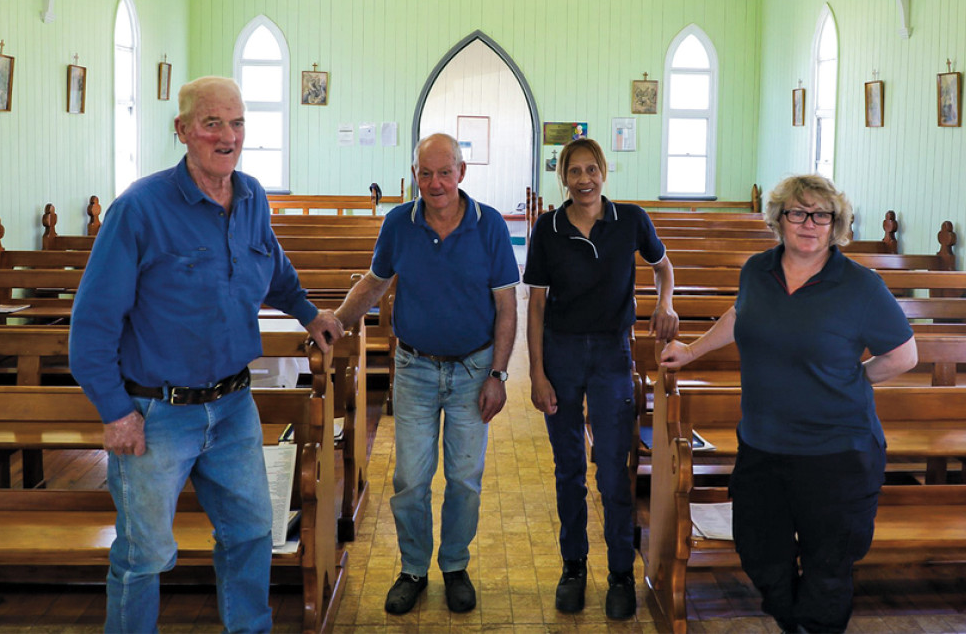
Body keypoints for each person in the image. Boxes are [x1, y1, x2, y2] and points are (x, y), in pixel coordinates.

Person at [69, 76, 343, 634]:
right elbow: (91, 325)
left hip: (233, 405)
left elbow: (274, 267)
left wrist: (310, 314)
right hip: (156, 414)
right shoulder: (139, 209)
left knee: (249, 534)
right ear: (183, 130)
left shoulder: (251, 196)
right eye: (212, 123)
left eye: (237, 123)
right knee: (143, 556)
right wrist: (115, 413)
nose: (228, 136)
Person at [660, 175, 917, 633]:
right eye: (797, 212)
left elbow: (903, 356)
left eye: (822, 215)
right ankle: (796, 620)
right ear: (779, 219)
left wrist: (854, 378)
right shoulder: (757, 270)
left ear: (836, 224)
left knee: (828, 567)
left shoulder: (860, 286)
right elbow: (740, 313)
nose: (809, 224)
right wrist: (691, 351)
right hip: (763, 445)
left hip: (838, 453)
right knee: (759, 552)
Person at [334, 132, 519, 615]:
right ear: (414, 174)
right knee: (411, 479)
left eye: (443, 172)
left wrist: (499, 375)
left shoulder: (490, 225)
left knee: (464, 478)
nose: (434, 183)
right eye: (425, 173)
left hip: (474, 371)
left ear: (462, 172)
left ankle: (454, 565)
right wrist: (334, 324)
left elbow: (506, 306)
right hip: (414, 369)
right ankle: (413, 568)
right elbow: (374, 284)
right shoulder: (399, 223)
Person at [524, 137, 679, 620]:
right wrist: (536, 371)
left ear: (604, 173)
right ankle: (573, 567)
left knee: (613, 469)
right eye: (575, 171)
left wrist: (665, 302)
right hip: (562, 353)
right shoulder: (547, 227)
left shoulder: (630, 220)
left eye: (592, 169)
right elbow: (536, 304)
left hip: (613, 354)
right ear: (563, 177)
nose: (584, 179)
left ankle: (619, 573)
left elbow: (663, 268)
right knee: (568, 467)